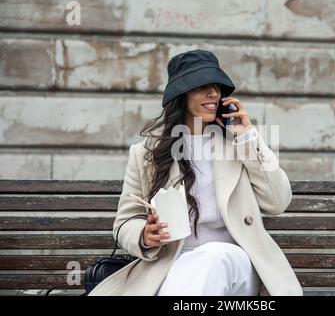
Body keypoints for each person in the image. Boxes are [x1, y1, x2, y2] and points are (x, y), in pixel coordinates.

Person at [88, 49, 303, 296]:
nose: (213, 93)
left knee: (216, 257)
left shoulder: (238, 146)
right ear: (182, 94)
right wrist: (145, 235)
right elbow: (124, 222)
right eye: (202, 86)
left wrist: (248, 138)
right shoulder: (146, 153)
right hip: (172, 266)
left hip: (235, 263)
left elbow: (278, 201)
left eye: (217, 86)